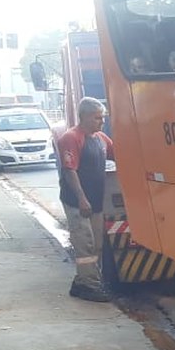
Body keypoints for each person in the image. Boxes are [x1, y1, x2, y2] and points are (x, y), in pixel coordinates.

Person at [57, 97, 114, 302]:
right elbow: (70, 171)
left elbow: (119, 154)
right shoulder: (71, 138)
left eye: (103, 118)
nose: (102, 122)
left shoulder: (101, 139)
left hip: (95, 201)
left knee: (97, 244)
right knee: (85, 245)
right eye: (97, 118)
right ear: (84, 117)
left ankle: (83, 281)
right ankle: (89, 285)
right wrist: (82, 199)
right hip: (77, 202)